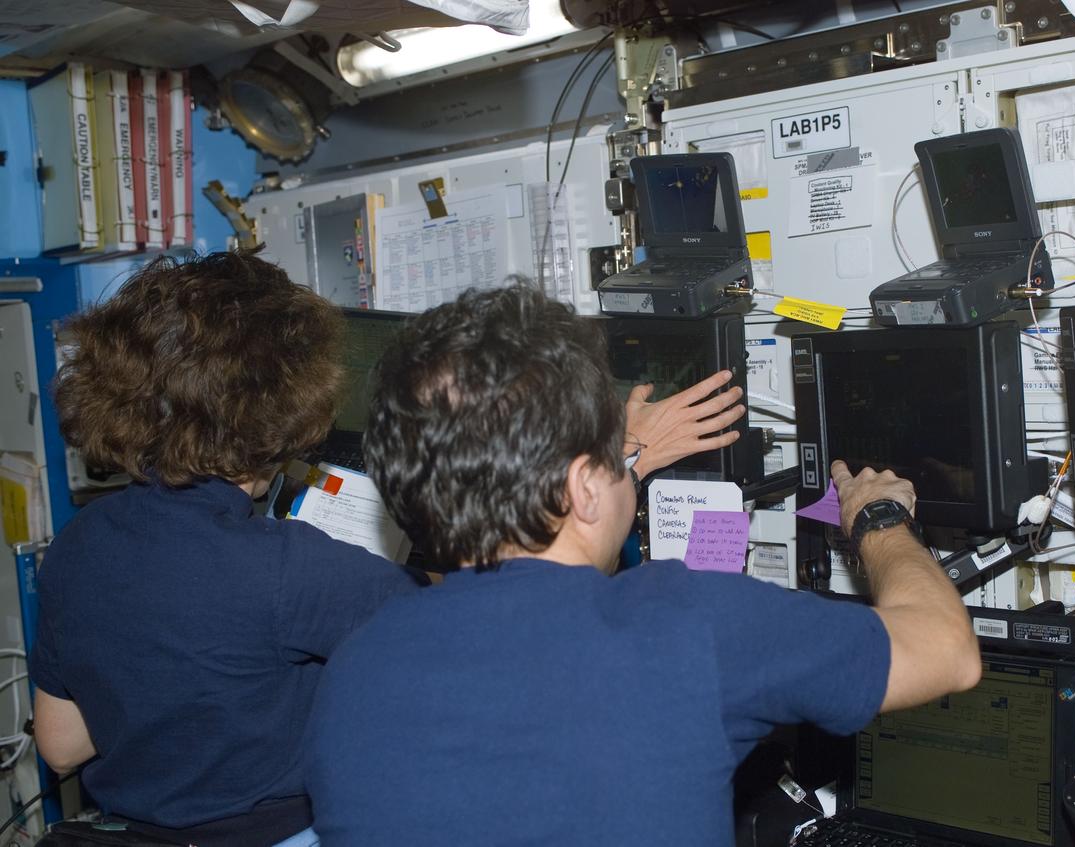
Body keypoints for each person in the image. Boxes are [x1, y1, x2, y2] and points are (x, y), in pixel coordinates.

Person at [31, 253, 742, 847]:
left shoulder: (78, 545)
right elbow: (501, 619)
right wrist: (623, 462)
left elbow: (61, 744)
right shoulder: (286, 569)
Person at [303, 286, 981, 846]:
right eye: (613, 450)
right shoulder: (682, 625)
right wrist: (877, 518)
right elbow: (947, 651)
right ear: (583, 487)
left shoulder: (356, 666)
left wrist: (617, 464)